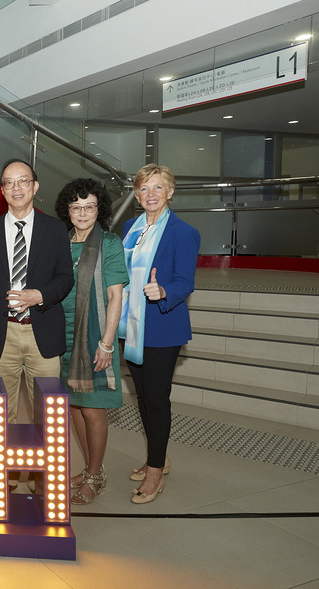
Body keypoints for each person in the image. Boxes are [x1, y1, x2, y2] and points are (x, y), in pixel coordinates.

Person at [0, 159, 74, 426]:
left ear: (35, 186)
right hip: (1, 334)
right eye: (9, 182)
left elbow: (66, 277)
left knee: (48, 415)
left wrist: (39, 295)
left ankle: (40, 469)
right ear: (2, 190)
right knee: (0, 415)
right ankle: (6, 469)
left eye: (23, 181)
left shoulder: (55, 229)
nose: (17, 188)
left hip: (44, 332)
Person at [119, 164, 199, 504]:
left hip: (162, 328)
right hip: (129, 326)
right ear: (137, 195)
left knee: (156, 399)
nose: (150, 194)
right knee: (142, 397)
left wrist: (163, 292)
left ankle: (155, 473)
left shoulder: (184, 232)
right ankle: (159, 455)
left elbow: (186, 281)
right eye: (144, 189)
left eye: (157, 188)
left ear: (170, 192)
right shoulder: (129, 227)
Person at [54, 178, 128, 505]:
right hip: (62, 334)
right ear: (67, 210)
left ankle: (96, 474)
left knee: (94, 409)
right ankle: (87, 468)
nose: (83, 213)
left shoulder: (109, 243)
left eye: (90, 207)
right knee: (75, 406)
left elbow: (115, 296)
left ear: (100, 210)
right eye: (76, 207)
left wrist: (107, 343)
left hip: (95, 334)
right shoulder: (60, 241)